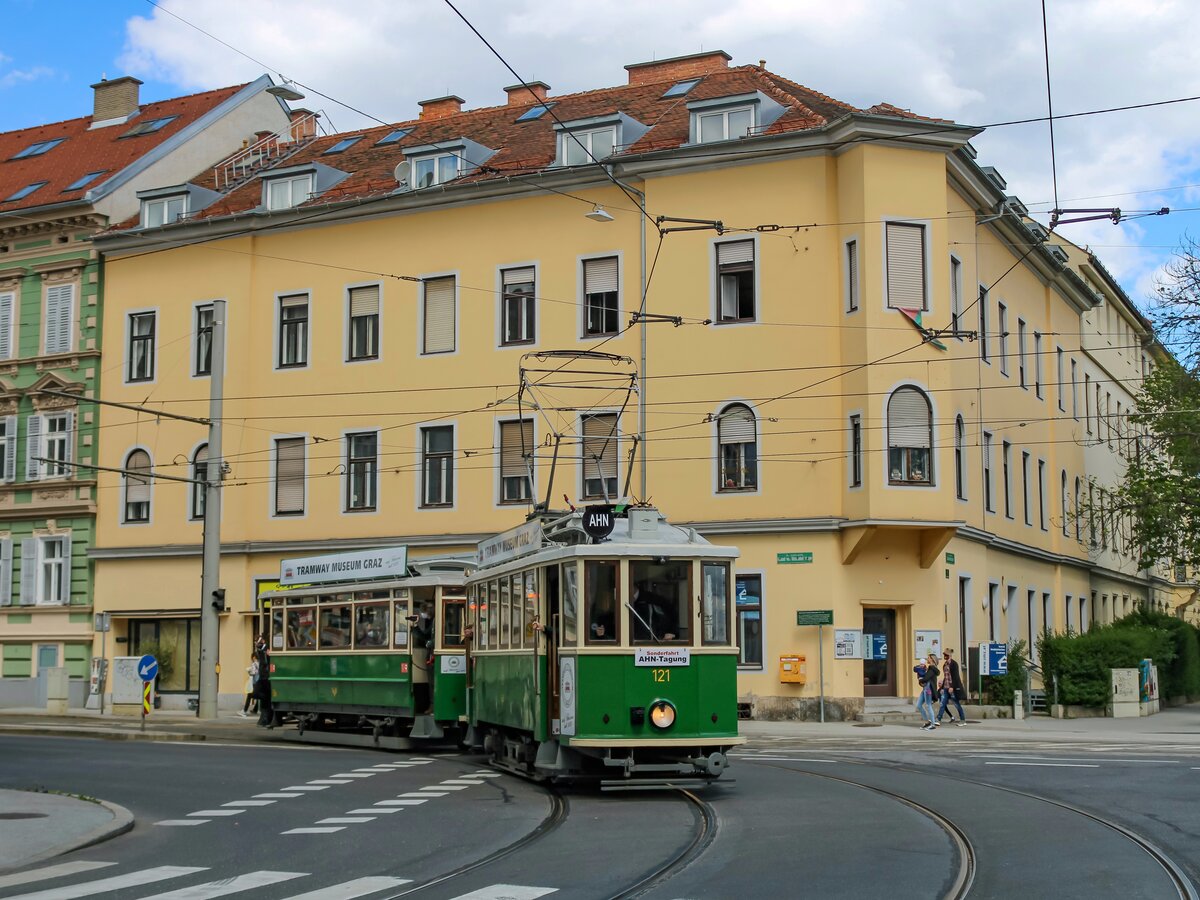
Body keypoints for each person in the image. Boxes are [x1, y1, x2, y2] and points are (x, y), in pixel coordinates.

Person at [409, 610, 434, 715]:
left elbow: (432, 638)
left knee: (433, 683)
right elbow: (426, 635)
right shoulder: (434, 621)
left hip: (434, 657)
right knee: (431, 683)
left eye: (428, 608)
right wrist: (415, 627)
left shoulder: (442, 619)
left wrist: (431, 643)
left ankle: (434, 706)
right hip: (431, 657)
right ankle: (432, 706)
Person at [936, 648, 968, 725]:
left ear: (950, 655)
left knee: (956, 704)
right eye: (944, 655)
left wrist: (952, 687)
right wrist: (942, 687)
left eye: (946, 655)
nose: (945, 656)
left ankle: (963, 720)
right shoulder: (945, 664)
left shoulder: (954, 664)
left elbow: (955, 676)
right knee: (942, 703)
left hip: (951, 688)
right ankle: (938, 720)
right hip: (946, 688)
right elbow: (946, 677)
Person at [913, 655, 938, 730]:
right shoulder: (928, 668)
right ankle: (928, 721)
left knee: (928, 705)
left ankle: (933, 724)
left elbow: (926, 678)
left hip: (928, 689)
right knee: (919, 705)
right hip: (925, 688)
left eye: (929, 658)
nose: (927, 659)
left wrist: (921, 680)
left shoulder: (932, 668)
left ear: (932, 660)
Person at [253, 637, 272, 727]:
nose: (256, 643)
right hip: (263, 676)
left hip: (266, 676)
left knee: (264, 696)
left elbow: (266, 661)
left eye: (258, 641)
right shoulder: (260, 649)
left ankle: (265, 717)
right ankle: (264, 715)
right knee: (259, 694)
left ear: (263, 641)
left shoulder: (267, 648)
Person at [240, 652, 259, 718]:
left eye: (252, 657)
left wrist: (248, 671)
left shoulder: (254, 664)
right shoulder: (259, 663)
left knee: (249, 695)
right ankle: (255, 710)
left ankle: (244, 711)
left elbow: (253, 673)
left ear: (254, 657)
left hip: (254, 682)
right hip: (258, 682)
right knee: (259, 696)